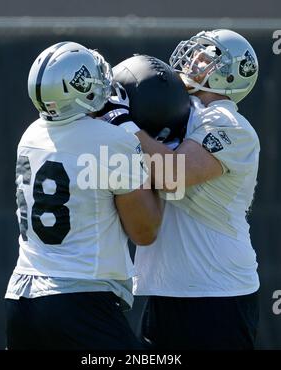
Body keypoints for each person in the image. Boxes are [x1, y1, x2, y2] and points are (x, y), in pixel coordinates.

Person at [104, 29, 260, 350]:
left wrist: (122, 121)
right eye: (198, 51)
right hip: (166, 288)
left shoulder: (229, 122)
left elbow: (173, 175)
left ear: (230, 75)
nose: (196, 58)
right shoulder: (179, 110)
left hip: (217, 293)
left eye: (209, 56)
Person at [5, 41, 163, 350]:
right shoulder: (112, 140)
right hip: (79, 300)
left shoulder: (31, 135)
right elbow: (145, 231)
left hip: (21, 298)